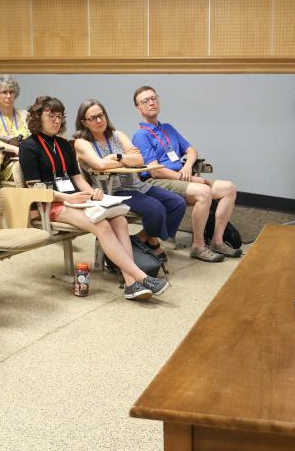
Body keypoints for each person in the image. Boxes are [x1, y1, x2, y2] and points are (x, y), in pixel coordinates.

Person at [19, 96, 169, 301]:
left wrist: (92, 192)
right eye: (50, 116)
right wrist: (68, 198)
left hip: (76, 199)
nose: (56, 121)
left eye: (59, 116)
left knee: (120, 220)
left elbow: (77, 178)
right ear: (38, 117)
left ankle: (130, 284)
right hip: (48, 204)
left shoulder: (64, 144)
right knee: (102, 225)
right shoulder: (28, 146)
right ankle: (140, 278)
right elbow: (35, 189)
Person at [130, 86, 241, 263]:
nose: (151, 103)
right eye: (145, 101)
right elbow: (155, 170)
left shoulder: (168, 129)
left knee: (229, 188)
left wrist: (188, 166)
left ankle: (217, 241)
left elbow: (191, 150)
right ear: (138, 108)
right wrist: (187, 177)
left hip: (181, 177)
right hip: (159, 180)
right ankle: (198, 246)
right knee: (204, 192)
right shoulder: (141, 135)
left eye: (154, 98)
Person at [73, 98, 186, 261]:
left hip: (137, 185)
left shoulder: (117, 135)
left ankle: (141, 239)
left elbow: (140, 160)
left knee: (178, 203)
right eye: (93, 118)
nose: (99, 120)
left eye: (101, 115)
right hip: (113, 191)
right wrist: (125, 159)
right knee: (156, 209)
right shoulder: (82, 142)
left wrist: (117, 157)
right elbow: (99, 164)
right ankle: (152, 242)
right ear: (84, 122)